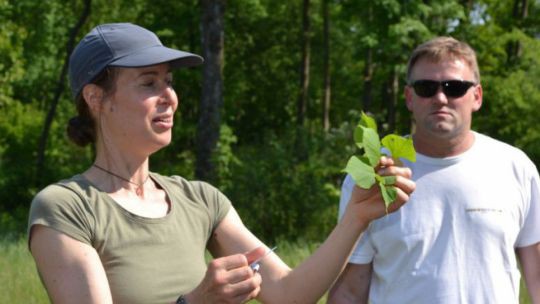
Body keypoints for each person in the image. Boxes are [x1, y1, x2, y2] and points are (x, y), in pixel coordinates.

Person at [27, 23, 415, 304]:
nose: (170, 97)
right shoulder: (66, 207)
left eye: (169, 82)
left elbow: (289, 294)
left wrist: (356, 218)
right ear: (96, 98)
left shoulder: (200, 200)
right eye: (149, 83)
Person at [328, 36, 540, 303]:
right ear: (408, 97)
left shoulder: (515, 167)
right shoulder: (375, 174)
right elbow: (349, 290)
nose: (440, 98)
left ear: (477, 96)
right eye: (426, 87)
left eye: (454, 87)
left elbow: (537, 274)